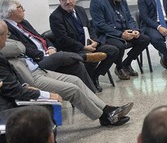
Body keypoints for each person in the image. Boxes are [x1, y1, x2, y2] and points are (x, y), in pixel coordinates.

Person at [0, 21, 132, 127]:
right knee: (72, 88)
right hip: (31, 77)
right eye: (6, 35)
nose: (8, 38)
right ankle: (104, 117)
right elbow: (18, 47)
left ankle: (107, 109)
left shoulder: (23, 24)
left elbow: (26, 44)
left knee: (75, 80)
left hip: (37, 69)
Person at [0, 0, 100, 94]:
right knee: (60, 56)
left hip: (48, 54)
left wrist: (51, 47)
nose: (23, 9)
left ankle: (92, 95)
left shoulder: (24, 23)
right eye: (20, 7)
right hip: (37, 60)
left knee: (77, 66)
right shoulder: (5, 28)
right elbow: (22, 48)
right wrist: (43, 54)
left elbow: (41, 37)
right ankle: (83, 56)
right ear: (10, 12)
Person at [49, 0, 120, 92]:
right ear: (59, 0)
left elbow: (89, 28)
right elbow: (63, 39)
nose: (67, 2)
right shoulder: (55, 17)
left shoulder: (80, 10)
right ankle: (87, 82)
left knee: (113, 51)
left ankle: (94, 76)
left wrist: (95, 41)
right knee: (91, 58)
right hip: (73, 49)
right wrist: (83, 47)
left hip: (88, 44)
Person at [90, 0, 151, 80]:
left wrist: (134, 30)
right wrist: (120, 34)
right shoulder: (97, 2)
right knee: (119, 45)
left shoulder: (122, 1)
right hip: (108, 35)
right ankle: (119, 68)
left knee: (145, 39)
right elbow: (100, 25)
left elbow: (129, 18)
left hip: (124, 31)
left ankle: (126, 63)